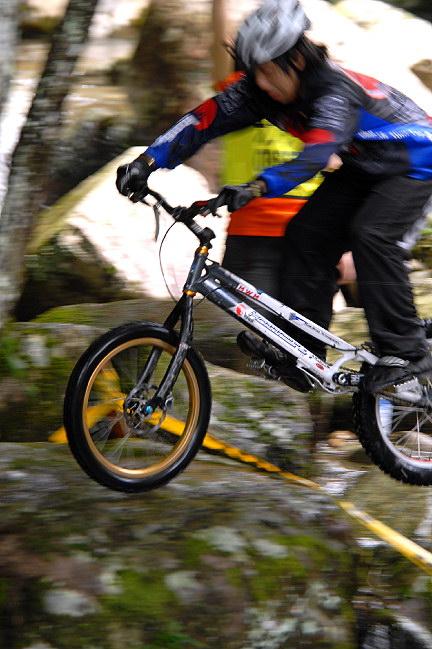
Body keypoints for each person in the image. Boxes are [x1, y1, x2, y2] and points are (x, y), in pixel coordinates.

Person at [116, 0, 432, 394]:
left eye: (267, 71)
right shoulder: (260, 92)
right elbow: (204, 119)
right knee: (305, 233)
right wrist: (147, 161)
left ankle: (406, 352)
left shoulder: (334, 92)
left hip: (416, 162)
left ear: (296, 60)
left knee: (372, 234)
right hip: (365, 164)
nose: (261, 83)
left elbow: (315, 156)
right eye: (255, 73)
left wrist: (257, 187)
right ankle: (304, 353)